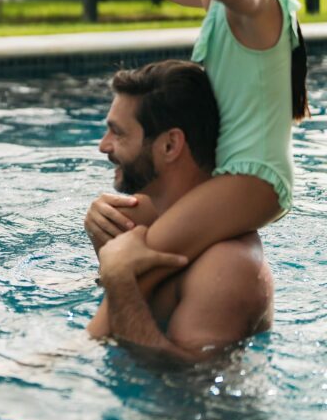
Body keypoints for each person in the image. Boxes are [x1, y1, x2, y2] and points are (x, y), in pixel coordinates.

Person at [88, 0, 303, 337]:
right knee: (121, 226)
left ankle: (77, 352)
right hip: (226, 175)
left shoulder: (258, 0)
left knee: (140, 265)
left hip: (251, 179)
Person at [86, 61, 273, 361]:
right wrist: (104, 256)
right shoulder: (152, 221)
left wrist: (120, 277)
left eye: (118, 134)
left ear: (170, 145)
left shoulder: (227, 265)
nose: (103, 146)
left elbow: (185, 388)